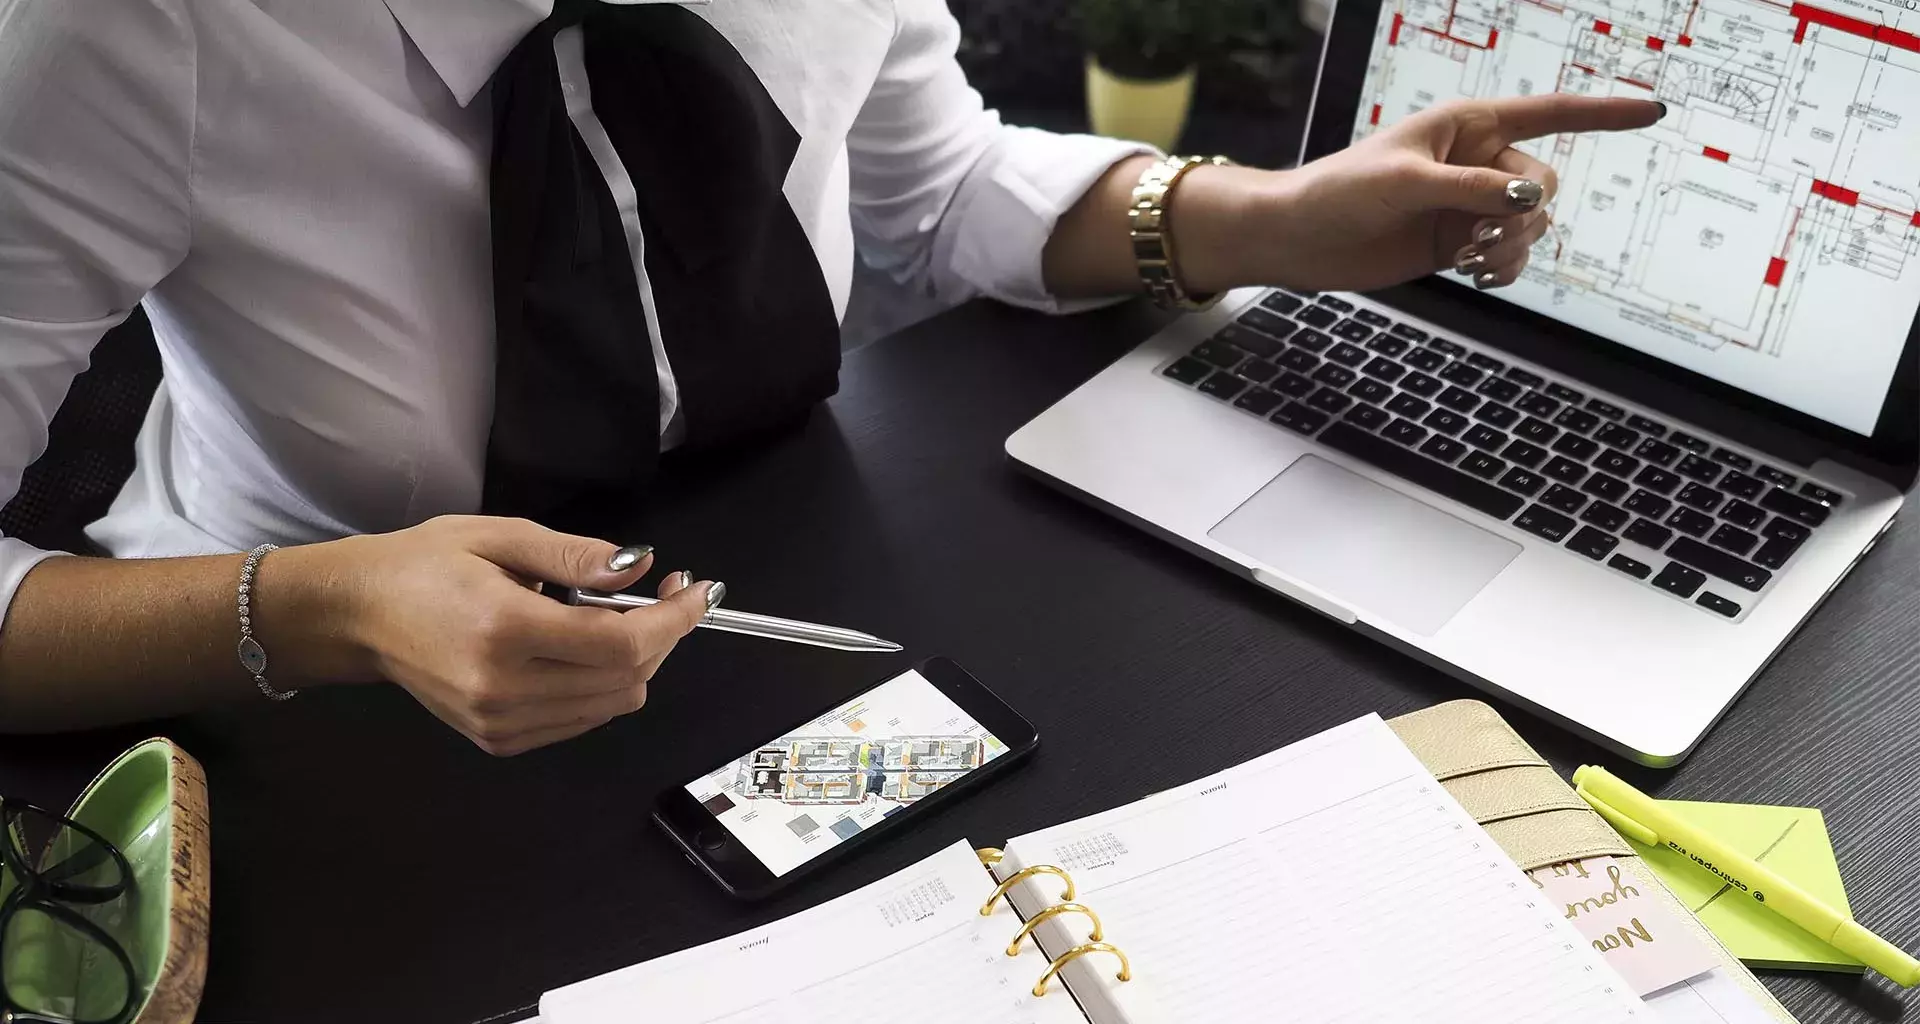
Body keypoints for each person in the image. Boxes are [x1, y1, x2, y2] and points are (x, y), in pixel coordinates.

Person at [0, 0, 1659, 755]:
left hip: (787, 581)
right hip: (328, 716)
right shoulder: (123, 29)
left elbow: (928, 193)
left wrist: (1267, 220)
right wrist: (326, 606)